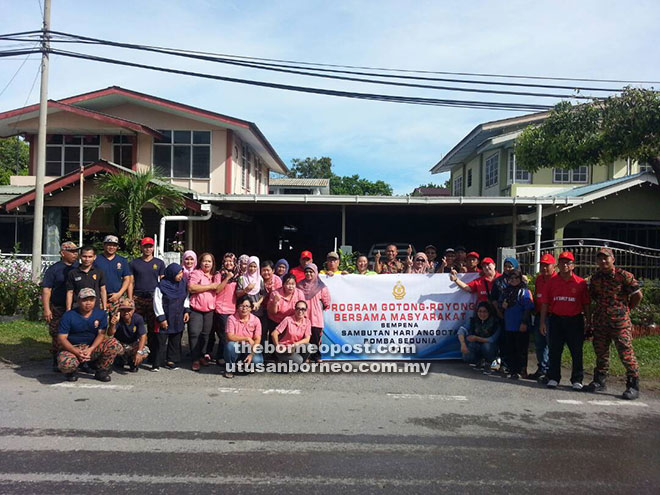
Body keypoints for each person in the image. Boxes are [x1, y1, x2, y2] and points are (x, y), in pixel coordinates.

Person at [586, 248, 643, 400]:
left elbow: (637, 295)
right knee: (601, 353)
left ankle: (632, 385)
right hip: (601, 322)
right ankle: (600, 381)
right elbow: (593, 298)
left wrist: (627, 308)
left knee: (625, 353)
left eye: (606, 258)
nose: (603, 261)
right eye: (600, 259)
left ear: (613, 259)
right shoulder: (596, 278)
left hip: (620, 323)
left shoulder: (624, 276)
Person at [540, 251, 591, 390]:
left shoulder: (580, 283)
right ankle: (553, 377)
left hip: (575, 321)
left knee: (576, 351)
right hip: (556, 319)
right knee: (554, 350)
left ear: (573, 265)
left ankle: (577, 379)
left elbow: (586, 304)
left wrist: (588, 321)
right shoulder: (552, 282)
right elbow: (545, 303)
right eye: (562, 262)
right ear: (558, 265)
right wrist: (542, 322)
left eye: (568, 262)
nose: (565, 265)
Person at [56, 288, 121, 382]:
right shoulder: (68, 315)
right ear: (78, 301)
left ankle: (101, 370)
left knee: (113, 343)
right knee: (66, 364)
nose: (88, 303)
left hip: (92, 347)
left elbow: (101, 334)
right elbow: (62, 338)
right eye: (85, 300)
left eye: (91, 300)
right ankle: (71, 371)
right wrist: (77, 351)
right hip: (73, 348)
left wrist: (90, 349)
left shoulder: (101, 314)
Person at [42, 241, 79, 371]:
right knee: (57, 333)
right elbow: (47, 289)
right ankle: (56, 359)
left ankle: (76, 358)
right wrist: (46, 309)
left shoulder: (79, 267)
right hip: (58, 307)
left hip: (76, 306)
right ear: (63, 253)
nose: (75, 254)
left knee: (75, 333)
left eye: (76, 251)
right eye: (72, 251)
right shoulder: (54, 269)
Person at [129, 237, 165, 365]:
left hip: (152, 298)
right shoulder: (134, 263)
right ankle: (133, 353)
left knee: (153, 329)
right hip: (138, 297)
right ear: (141, 247)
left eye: (150, 246)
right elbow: (130, 282)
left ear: (153, 247)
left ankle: (153, 357)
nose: (148, 249)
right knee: (135, 327)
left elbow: (163, 281)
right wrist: (130, 298)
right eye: (145, 246)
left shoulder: (159, 263)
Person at [153, 263, 190, 371]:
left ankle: (171, 360)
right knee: (160, 340)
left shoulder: (183, 283)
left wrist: (186, 311)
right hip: (166, 315)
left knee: (175, 339)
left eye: (181, 273)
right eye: (178, 273)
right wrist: (161, 318)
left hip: (178, 315)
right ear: (171, 273)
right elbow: (157, 302)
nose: (180, 275)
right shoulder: (161, 285)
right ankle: (156, 363)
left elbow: (186, 297)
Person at [500, 269, 534, 380]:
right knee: (511, 349)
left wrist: (524, 322)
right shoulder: (506, 291)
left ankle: (521, 370)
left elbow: (528, 308)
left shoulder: (524, 291)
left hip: (520, 325)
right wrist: (503, 306)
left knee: (521, 350)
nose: (514, 280)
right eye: (511, 278)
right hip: (509, 325)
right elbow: (502, 305)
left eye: (516, 278)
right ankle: (512, 370)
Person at [187, 252, 218, 371]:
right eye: (204, 261)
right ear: (200, 262)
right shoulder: (196, 273)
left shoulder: (214, 276)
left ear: (213, 264)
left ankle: (202, 355)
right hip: (196, 309)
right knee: (194, 333)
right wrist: (210, 286)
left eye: (209, 261)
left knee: (206, 335)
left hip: (209, 309)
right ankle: (195, 359)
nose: (207, 263)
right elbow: (191, 288)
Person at [529, 254, 556, 381]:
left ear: (553, 266)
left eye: (547, 265)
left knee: (551, 344)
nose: (544, 268)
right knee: (539, 344)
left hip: (551, 316)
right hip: (539, 314)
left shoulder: (557, 279)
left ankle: (550, 370)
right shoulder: (539, 279)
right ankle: (542, 368)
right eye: (542, 265)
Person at [223, 296, 264, 378]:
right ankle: (230, 369)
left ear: (251, 308)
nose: (244, 309)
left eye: (247, 306)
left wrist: (251, 354)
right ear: (237, 307)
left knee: (258, 361)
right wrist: (246, 338)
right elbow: (229, 336)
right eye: (241, 306)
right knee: (230, 345)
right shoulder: (231, 318)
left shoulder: (256, 320)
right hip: (237, 346)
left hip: (249, 348)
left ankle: (244, 364)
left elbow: (257, 339)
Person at [298, 263, 331, 363]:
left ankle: (316, 356)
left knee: (316, 338)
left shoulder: (321, 287)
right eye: (307, 271)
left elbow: (327, 301)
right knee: (304, 337)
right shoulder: (299, 285)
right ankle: (306, 356)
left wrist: (318, 308)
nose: (308, 274)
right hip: (303, 316)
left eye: (311, 272)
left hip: (316, 317)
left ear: (315, 272)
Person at [457, 301, 500, 373]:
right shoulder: (473, 320)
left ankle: (489, 363)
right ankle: (479, 361)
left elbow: (492, 339)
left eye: (485, 311)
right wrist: (463, 344)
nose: (482, 314)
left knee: (487, 346)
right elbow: (461, 330)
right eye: (480, 311)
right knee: (466, 355)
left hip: (491, 347)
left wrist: (476, 338)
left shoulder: (495, 322)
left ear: (489, 312)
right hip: (477, 346)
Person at [108, 298, 149, 373]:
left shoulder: (138, 319)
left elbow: (143, 335)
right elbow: (110, 333)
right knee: (111, 344)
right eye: (123, 310)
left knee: (144, 351)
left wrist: (139, 352)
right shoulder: (117, 318)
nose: (126, 312)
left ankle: (133, 362)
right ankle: (119, 359)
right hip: (121, 343)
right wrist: (112, 324)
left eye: (129, 310)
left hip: (132, 343)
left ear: (133, 310)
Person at [211, 253, 239, 364]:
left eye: (231, 261)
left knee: (230, 333)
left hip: (233, 308)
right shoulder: (219, 274)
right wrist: (227, 278)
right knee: (224, 334)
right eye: (226, 261)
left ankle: (229, 355)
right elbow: (217, 290)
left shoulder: (237, 275)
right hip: (221, 308)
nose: (229, 263)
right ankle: (220, 357)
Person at [93, 235, 131, 314]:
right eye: (109, 244)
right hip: (99, 298)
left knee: (116, 323)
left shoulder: (122, 260)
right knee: (101, 323)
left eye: (114, 245)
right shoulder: (96, 260)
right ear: (104, 245)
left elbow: (127, 279)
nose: (111, 247)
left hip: (117, 297)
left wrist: (119, 294)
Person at [65, 245, 107, 311]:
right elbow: (70, 292)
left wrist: (104, 308)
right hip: (77, 309)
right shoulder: (73, 273)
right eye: (84, 256)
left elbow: (103, 290)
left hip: (95, 308)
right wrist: (68, 309)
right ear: (80, 256)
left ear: (94, 257)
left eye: (90, 257)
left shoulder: (99, 272)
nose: (87, 259)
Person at [271, 300, 312, 366]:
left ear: (306, 310)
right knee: (299, 360)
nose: (300, 311)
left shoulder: (307, 322)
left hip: (295, 347)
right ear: (295, 309)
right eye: (298, 308)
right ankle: (282, 362)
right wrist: (277, 347)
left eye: (303, 309)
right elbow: (274, 334)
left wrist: (295, 344)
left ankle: (299, 365)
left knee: (309, 346)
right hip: (285, 349)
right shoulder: (288, 319)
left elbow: (307, 339)